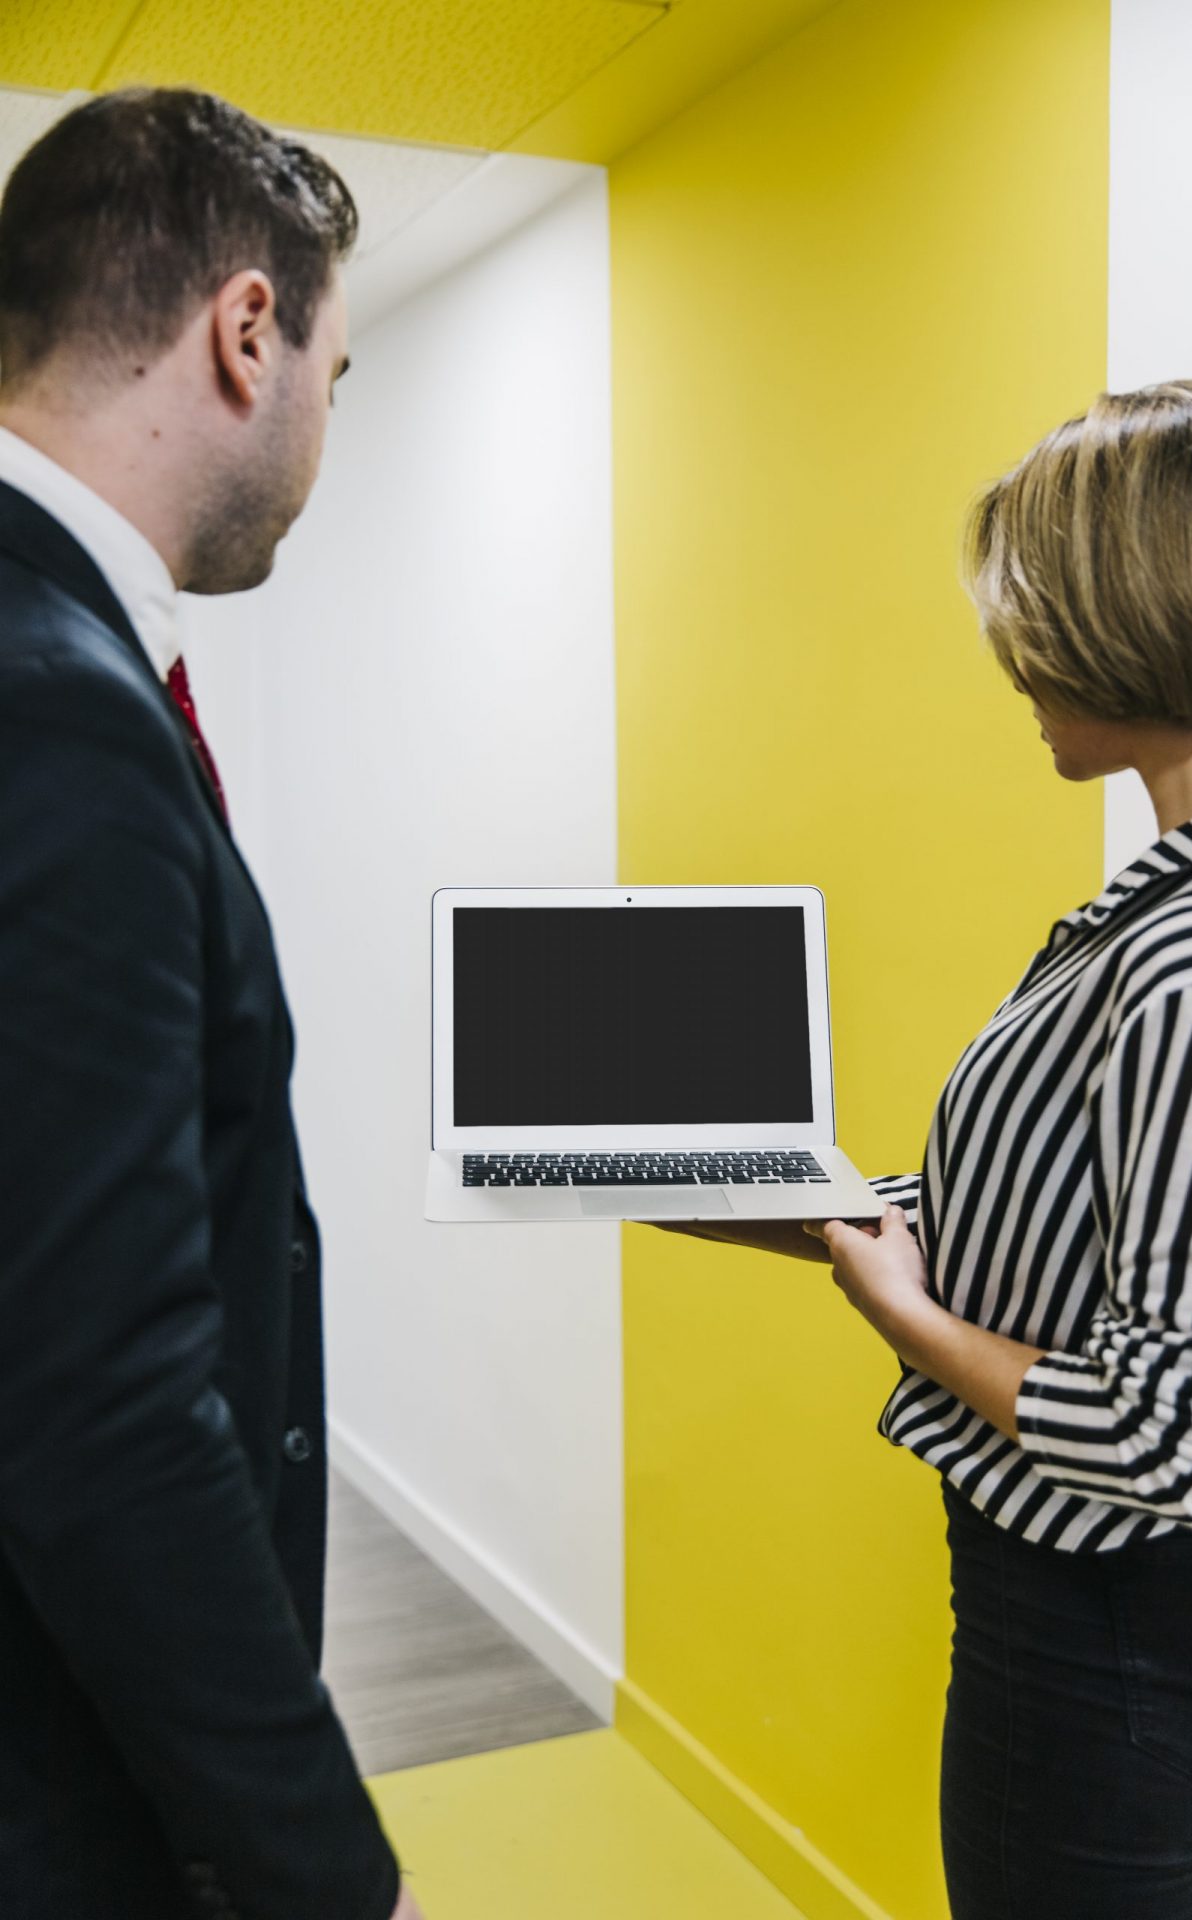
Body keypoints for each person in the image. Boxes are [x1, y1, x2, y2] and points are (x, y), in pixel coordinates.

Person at [669, 380, 1192, 1918]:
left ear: (1137, 620)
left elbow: (1173, 1435)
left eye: (1034, 613)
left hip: (1113, 1653)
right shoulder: (1189, 916)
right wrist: (791, 1201)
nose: (1012, 656)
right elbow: (1109, 1232)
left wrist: (901, 1315)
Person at [0, 90, 422, 1919]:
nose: (327, 422)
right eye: (340, 363)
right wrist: (327, 1870)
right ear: (248, 335)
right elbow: (100, 1393)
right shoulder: (58, 704)